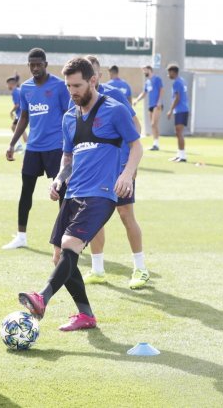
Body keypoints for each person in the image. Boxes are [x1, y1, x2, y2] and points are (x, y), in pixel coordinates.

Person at [18, 57, 143, 331]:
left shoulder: (114, 110)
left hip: (101, 194)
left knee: (70, 246)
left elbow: (136, 146)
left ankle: (42, 297)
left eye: (77, 85)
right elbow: (68, 157)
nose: (72, 91)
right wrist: (59, 180)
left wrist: (126, 174)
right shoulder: (68, 118)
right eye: (68, 86)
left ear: (93, 81)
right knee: (58, 256)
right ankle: (85, 314)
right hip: (73, 193)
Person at [81, 56, 150, 290]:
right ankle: (98, 269)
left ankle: (140, 268)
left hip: (119, 169)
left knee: (125, 214)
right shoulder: (78, 101)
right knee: (95, 218)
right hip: (94, 173)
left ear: (99, 75)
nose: (91, 78)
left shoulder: (115, 96)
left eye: (95, 73)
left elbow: (136, 128)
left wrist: (130, 168)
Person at [3, 48, 70, 250]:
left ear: (46, 64)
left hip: (55, 147)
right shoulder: (25, 88)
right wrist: (12, 143)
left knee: (62, 191)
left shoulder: (59, 86)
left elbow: (68, 115)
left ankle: (64, 238)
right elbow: (24, 117)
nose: (35, 68)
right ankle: (21, 236)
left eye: (39, 64)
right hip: (33, 147)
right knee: (26, 192)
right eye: (31, 64)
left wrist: (70, 144)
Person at [133, 65, 164, 151]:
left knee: (154, 124)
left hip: (157, 105)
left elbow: (162, 90)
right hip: (150, 105)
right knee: (152, 125)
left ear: (149, 70)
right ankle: (155, 143)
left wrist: (159, 102)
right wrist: (137, 100)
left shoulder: (157, 79)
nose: (144, 73)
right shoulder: (147, 82)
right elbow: (144, 93)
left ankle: (156, 144)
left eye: (145, 71)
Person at [166, 64, 190, 162]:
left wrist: (170, 110)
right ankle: (179, 154)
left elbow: (177, 98)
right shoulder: (182, 80)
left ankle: (183, 156)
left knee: (179, 132)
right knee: (178, 132)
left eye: (169, 72)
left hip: (181, 110)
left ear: (173, 72)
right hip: (183, 109)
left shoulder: (176, 82)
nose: (168, 75)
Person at [6, 76, 27, 152]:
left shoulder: (14, 92)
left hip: (21, 114)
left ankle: (25, 147)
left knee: (21, 129)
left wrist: (11, 112)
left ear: (11, 84)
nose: (7, 86)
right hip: (23, 112)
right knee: (14, 127)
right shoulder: (19, 90)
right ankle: (20, 145)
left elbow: (17, 105)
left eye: (7, 84)